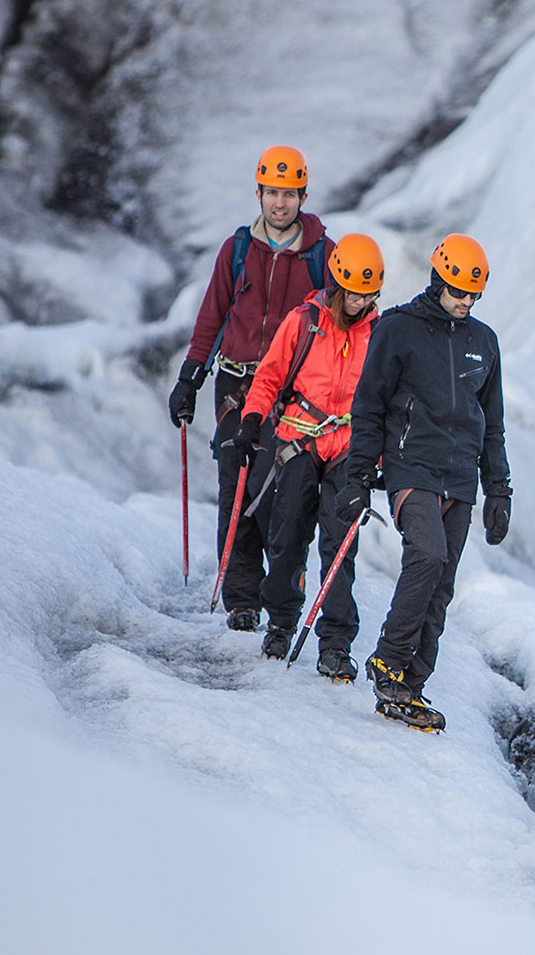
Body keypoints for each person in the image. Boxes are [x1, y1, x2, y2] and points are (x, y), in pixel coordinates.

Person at [339, 233, 511, 731]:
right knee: (427, 556)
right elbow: (368, 405)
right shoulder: (398, 329)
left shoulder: (484, 342)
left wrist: (498, 490)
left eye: (473, 296)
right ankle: (388, 659)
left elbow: (493, 423)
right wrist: (357, 475)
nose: (465, 303)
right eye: (458, 293)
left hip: (461, 479)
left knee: (442, 584)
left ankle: (409, 685)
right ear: (438, 280)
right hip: (411, 466)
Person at [167, 146, 334, 631]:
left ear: (302, 195)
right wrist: (190, 377)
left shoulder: (323, 256)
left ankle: (275, 590)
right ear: (258, 193)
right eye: (272, 193)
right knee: (233, 486)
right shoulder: (236, 250)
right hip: (236, 383)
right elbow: (212, 316)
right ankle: (242, 597)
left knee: (275, 490)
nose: (280, 203)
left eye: (289, 194)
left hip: (289, 392)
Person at [228, 233, 385, 676]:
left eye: (369, 294)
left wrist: (380, 458)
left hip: (350, 449)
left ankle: (335, 642)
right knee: (288, 535)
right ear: (337, 283)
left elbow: (391, 400)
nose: (360, 302)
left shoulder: (379, 333)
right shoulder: (304, 322)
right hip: (299, 438)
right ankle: (281, 621)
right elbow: (269, 378)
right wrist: (252, 420)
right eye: (354, 292)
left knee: (341, 545)